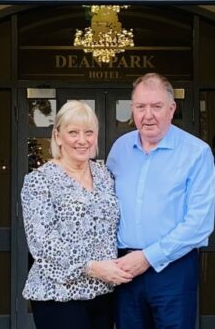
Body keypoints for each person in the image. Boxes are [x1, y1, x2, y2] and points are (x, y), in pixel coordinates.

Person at [107, 72, 215, 329]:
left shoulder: (196, 152)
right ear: (132, 109)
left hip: (173, 270)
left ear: (171, 108)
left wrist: (147, 257)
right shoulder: (120, 149)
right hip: (124, 269)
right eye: (140, 107)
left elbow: (199, 223)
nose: (148, 115)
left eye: (156, 107)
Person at [21, 101, 132, 329]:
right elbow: (42, 245)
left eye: (88, 132)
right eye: (73, 132)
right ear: (58, 136)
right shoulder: (39, 181)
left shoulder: (104, 175)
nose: (82, 140)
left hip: (103, 294)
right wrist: (91, 267)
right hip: (59, 296)